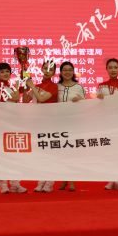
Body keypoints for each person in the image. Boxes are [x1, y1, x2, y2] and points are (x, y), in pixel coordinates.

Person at [0, 62, 27, 194]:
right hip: (3, 125)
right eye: (2, 72)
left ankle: (15, 183)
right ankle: (2, 184)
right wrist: (18, 87)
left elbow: (25, 89)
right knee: (3, 155)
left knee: (15, 154)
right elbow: (16, 97)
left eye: (7, 71)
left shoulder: (11, 86)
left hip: (14, 124)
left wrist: (25, 71)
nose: (5, 74)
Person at [26, 61, 58, 192]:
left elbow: (41, 99)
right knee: (40, 153)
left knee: (50, 153)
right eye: (45, 68)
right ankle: (40, 181)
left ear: (54, 72)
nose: (47, 71)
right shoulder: (37, 86)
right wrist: (25, 87)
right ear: (41, 69)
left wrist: (32, 86)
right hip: (37, 123)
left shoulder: (54, 86)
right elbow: (26, 100)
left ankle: (50, 182)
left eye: (50, 69)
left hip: (50, 123)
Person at [98, 58, 118, 191]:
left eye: (115, 67)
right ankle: (111, 179)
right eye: (110, 67)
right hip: (106, 121)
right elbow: (99, 105)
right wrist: (99, 99)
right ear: (106, 69)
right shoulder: (101, 86)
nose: (113, 70)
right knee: (109, 151)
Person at [57, 61, 85, 191]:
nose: (67, 72)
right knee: (62, 153)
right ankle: (64, 179)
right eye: (64, 70)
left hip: (74, 123)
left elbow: (85, 104)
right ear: (61, 72)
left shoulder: (79, 87)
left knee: (71, 152)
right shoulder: (56, 87)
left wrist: (79, 101)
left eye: (70, 70)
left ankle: (72, 181)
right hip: (59, 123)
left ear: (73, 72)